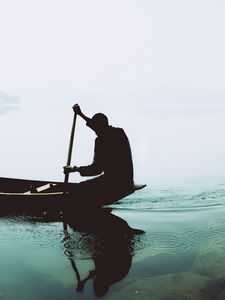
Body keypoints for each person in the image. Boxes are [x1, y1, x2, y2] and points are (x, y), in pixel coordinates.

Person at [64, 104, 134, 206]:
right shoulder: (119, 132)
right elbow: (98, 126)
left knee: (80, 188)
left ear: (99, 127)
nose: (94, 132)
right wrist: (80, 114)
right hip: (127, 179)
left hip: (115, 182)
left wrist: (74, 169)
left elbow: (96, 170)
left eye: (96, 129)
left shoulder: (101, 141)